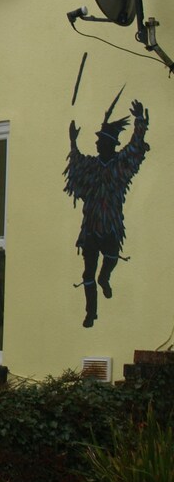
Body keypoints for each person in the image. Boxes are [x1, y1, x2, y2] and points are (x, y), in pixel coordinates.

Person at [64, 94, 149, 328]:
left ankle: (106, 277)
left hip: (110, 223)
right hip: (91, 225)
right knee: (86, 273)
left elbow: (134, 149)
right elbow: (76, 164)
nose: (97, 143)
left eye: (101, 141)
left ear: (110, 144)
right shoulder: (91, 166)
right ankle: (91, 312)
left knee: (110, 257)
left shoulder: (119, 164)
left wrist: (140, 120)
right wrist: (73, 142)